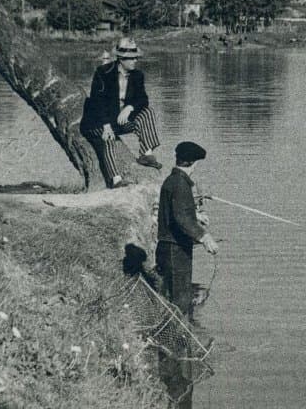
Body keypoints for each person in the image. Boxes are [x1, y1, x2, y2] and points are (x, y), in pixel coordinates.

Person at [80, 38, 162, 189]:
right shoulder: (103, 73)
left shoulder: (137, 75)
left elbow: (143, 99)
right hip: (97, 122)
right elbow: (97, 102)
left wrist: (129, 107)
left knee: (147, 112)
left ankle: (146, 154)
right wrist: (106, 126)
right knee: (109, 139)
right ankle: (116, 180)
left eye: (136, 57)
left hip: (118, 120)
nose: (135, 61)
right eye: (132, 58)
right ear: (121, 59)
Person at [156, 141, 218, 319]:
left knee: (169, 295)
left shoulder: (172, 180)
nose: (196, 168)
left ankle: (174, 328)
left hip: (167, 247)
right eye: (197, 163)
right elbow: (182, 218)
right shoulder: (181, 184)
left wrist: (195, 215)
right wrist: (205, 237)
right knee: (180, 298)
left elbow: (176, 210)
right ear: (192, 163)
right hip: (175, 249)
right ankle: (178, 332)